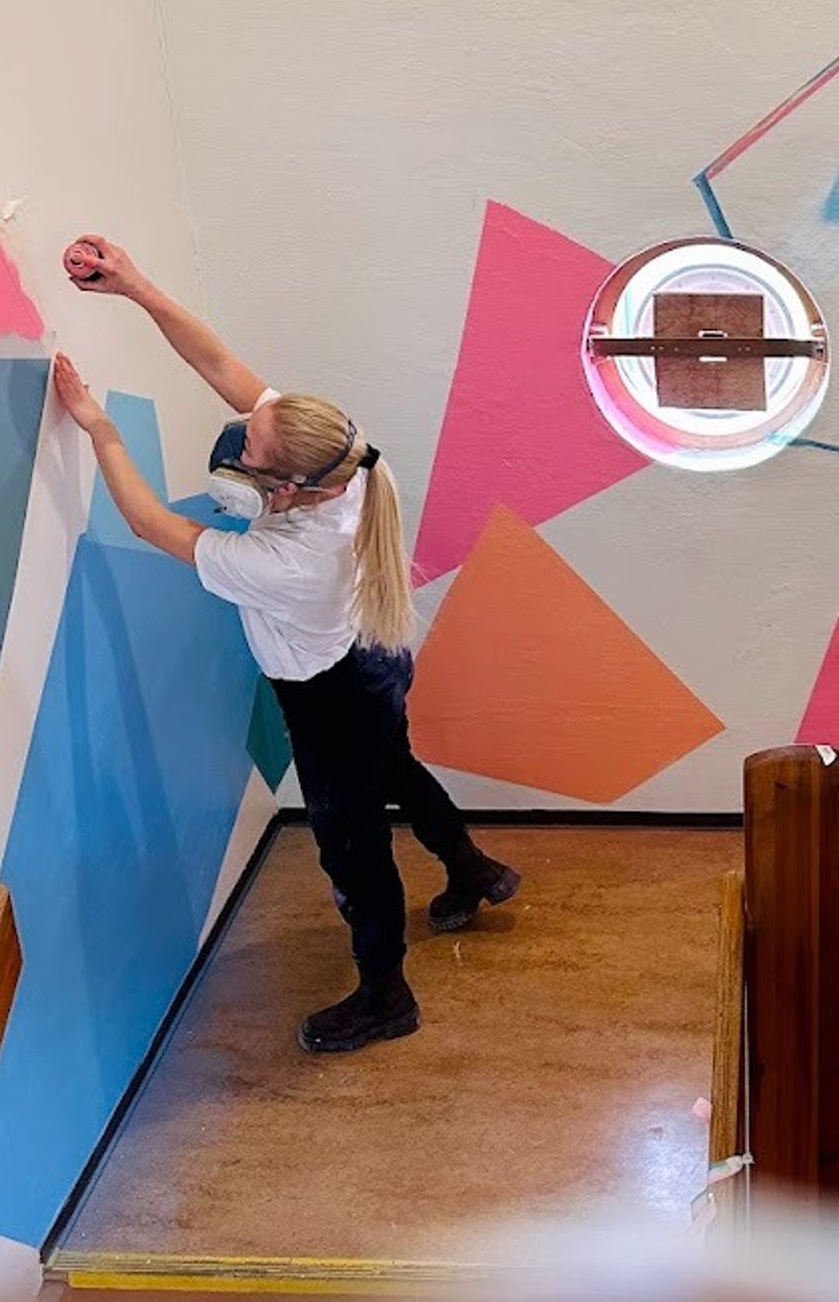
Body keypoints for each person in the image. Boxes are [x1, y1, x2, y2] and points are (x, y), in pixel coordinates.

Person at [51, 234, 518, 1054]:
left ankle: (386, 995)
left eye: (252, 449)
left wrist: (98, 428)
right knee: (397, 767)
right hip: (377, 659)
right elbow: (225, 365)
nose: (241, 438)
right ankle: (473, 870)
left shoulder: (287, 560)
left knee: (352, 846)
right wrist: (134, 286)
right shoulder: (351, 453)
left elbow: (150, 523)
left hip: (329, 695)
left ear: (290, 488)